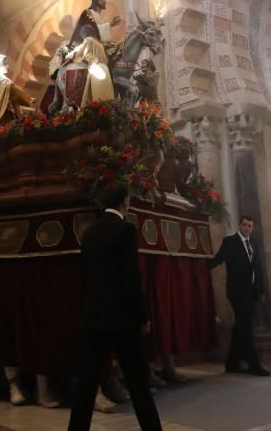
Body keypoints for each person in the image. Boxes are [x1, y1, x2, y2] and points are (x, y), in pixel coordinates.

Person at [67, 181, 162, 431]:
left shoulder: (90, 232)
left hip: (95, 317)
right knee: (138, 382)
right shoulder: (125, 230)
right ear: (125, 202)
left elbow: (84, 276)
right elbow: (132, 278)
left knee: (88, 381)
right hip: (123, 320)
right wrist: (142, 316)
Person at [208, 215, 270, 376]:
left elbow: (258, 269)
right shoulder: (230, 242)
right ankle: (254, 365)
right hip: (237, 292)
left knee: (239, 327)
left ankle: (232, 363)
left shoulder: (254, 244)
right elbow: (218, 259)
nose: (247, 228)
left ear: (252, 228)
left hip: (251, 292)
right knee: (246, 328)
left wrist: (261, 290)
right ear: (239, 225)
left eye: (250, 226)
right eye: (244, 225)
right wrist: (200, 266)